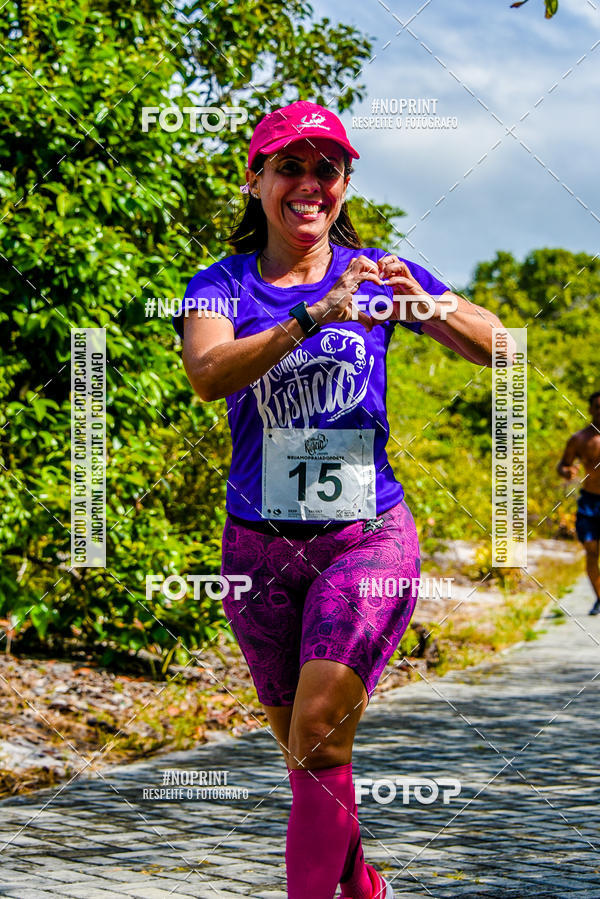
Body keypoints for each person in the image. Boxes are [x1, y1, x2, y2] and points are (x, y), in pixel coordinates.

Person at [174, 99, 505, 899]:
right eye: (290, 166)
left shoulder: (378, 271)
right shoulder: (218, 285)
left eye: (328, 168)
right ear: (255, 181)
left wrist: (422, 301)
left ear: (347, 184)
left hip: (365, 538)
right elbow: (208, 374)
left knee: (320, 738)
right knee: (305, 758)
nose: (310, 183)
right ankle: (364, 889)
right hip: (256, 545)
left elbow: (501, 349)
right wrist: (313, 315)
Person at [557, 390, 600, 616]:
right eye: (598, 407)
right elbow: (563, 465)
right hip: (590, 502)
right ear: (591, 409)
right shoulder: (579, 439)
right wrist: (567, 471)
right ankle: (599, 597)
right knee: (591, 551)